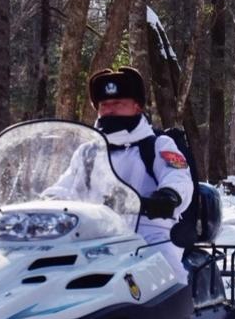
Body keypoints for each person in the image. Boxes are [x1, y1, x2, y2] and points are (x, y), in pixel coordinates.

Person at [44, 68, 194, 283]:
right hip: (93, 239)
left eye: (118, 103)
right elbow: (65, 187)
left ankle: (183, 302)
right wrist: (47, 203)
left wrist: (168, 196)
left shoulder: (157, 145)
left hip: (149, 235)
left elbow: (178, 178)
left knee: (170, 283)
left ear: (137, 106)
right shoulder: (88, 152)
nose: (110, 110)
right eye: (104, 105)